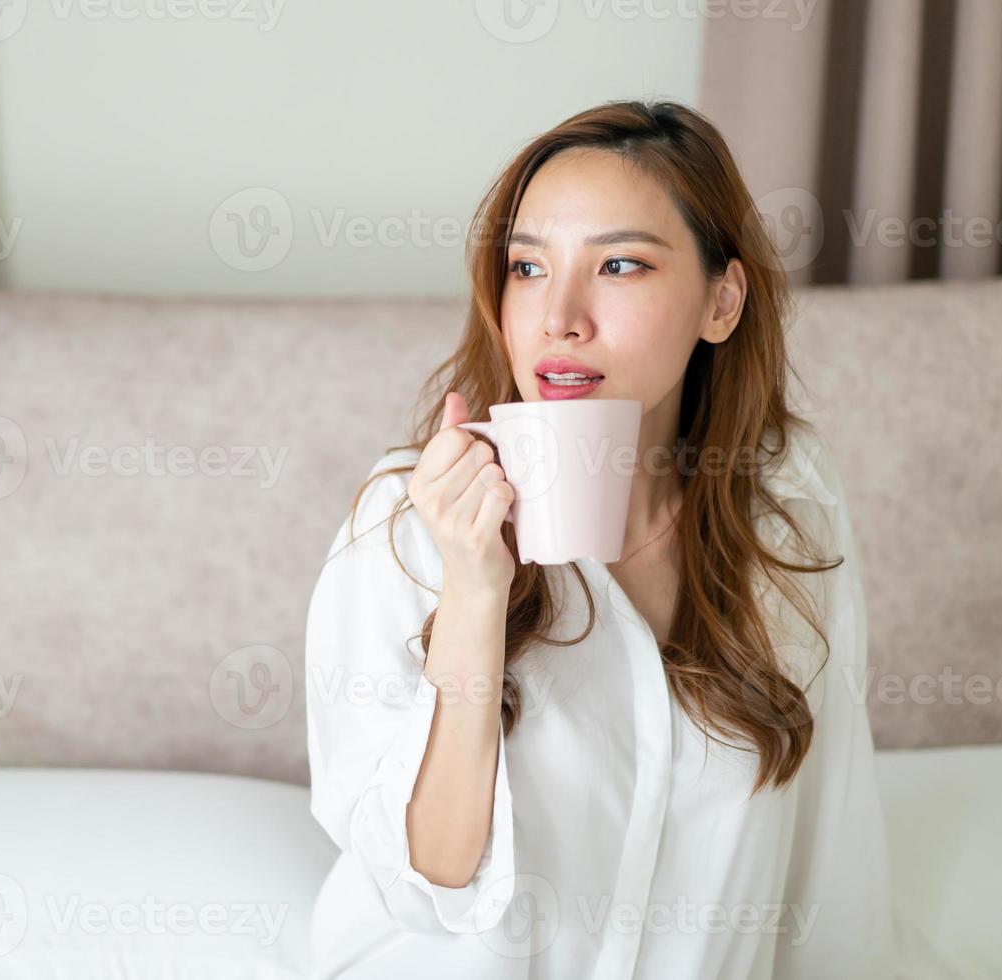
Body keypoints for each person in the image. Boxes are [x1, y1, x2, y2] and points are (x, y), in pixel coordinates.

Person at [303, 99, 896, 979]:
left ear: (722, 301)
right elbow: (431, 875)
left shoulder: (787, 504)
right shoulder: (407, 522)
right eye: (528, 268)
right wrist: (474, 588)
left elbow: (828, 835)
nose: (560, 318)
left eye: (619, 264)